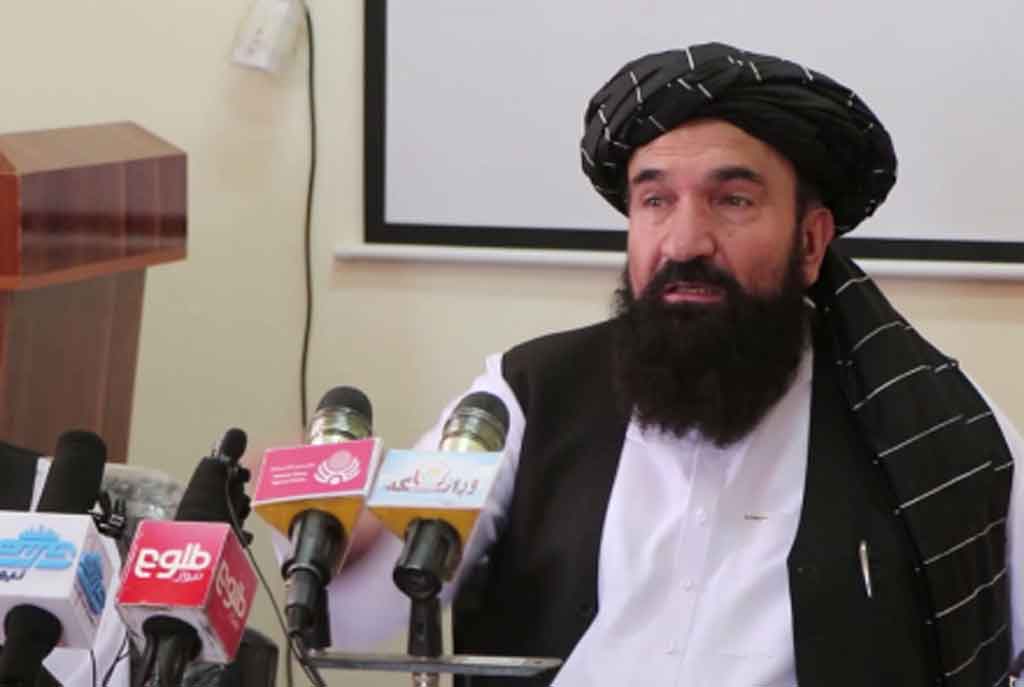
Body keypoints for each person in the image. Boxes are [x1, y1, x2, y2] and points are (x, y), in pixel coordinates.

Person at [316, 42, 1024, 686]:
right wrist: (340, 531)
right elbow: (360, 615)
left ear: (811, 243)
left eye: (733, 200)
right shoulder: (523, 396)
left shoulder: (932, 430)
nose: (685, 241)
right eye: (655, 200)